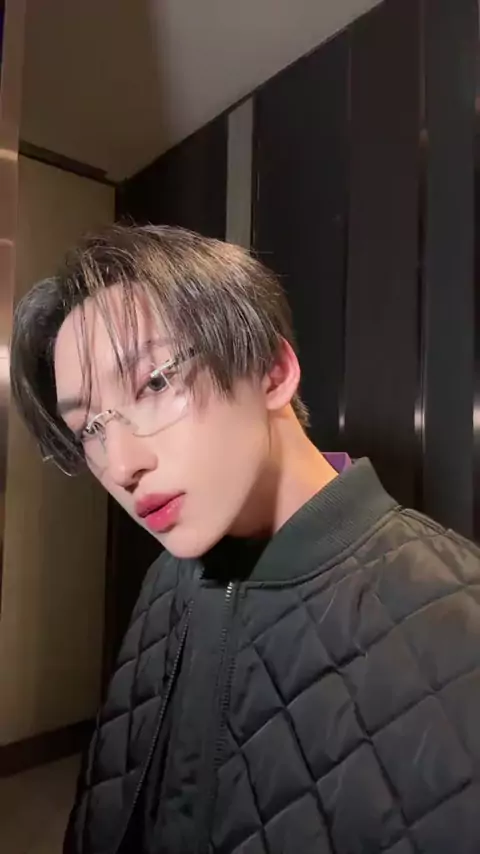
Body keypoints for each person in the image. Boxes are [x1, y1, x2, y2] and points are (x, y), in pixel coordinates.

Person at [10, 224, 480, 854]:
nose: (120, 464)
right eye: (90, 428)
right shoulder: (164, 578)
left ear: (272, 371)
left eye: (154, 383)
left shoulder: (458, 620)